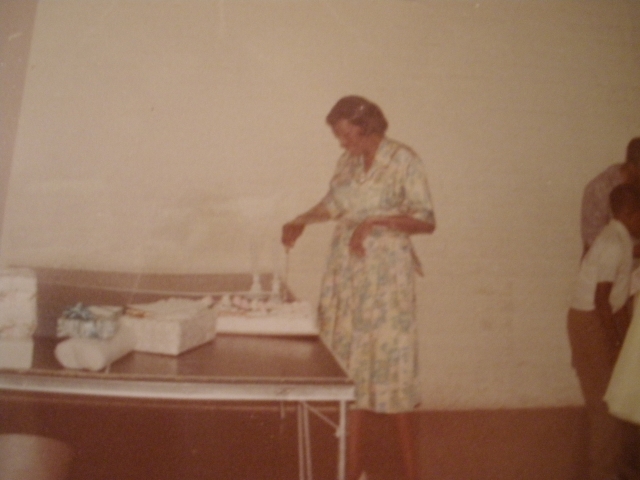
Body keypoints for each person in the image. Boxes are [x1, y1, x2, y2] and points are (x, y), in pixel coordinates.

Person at [282, 95, 435, 480]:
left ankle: (411, 471)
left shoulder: (403, 159)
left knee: (388, 367)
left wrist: (375, 222)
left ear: (365, 126)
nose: (341, 142)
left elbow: (426, 219)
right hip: (348, 275)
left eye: (344, 134)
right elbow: (334, 205)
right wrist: (301, 219)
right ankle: (350, 472)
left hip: (386, 279)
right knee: (351, 367)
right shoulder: (347, 162)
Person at [568, 183, 640, 480]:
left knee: (615, 401)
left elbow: (618, 301)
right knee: (604, 408)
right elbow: (602, 299)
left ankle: (615, 467)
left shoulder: (621, 238)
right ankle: (602, 473)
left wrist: (622, 341)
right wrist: (612, 343)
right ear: (630, 213)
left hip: (599, 321)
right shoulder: (612, 242)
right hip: (590, 323)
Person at [581, 137, 640, 256]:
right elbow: (592, 243)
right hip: (608, 268)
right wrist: (633, 251)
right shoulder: (600, 188)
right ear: (633, 167)